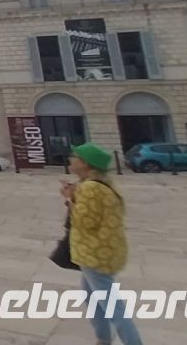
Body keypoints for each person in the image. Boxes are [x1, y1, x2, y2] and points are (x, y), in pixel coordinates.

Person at [61, 143, 141, 345]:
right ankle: (103, 338)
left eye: (75, 157)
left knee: (113, 306)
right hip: (106, 250)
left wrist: (71, 199)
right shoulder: (102, 184)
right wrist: (75, 195)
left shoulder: (90, 188)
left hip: (94, 253)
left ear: (86, 164)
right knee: (92, 297)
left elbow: (85, 222)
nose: (71, 160)